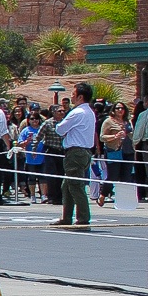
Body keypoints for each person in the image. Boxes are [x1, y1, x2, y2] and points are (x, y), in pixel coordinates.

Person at [55, 82, 97, 227]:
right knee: (67, 185)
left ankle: (83, 218)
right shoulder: (90, 112)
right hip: (85, 152)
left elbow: (60, 129)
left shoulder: (77, 112)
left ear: (80, 97)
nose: (71, 97)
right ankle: (66, 217)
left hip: (75, 152)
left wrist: (59, 123)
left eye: (73, 94)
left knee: (75, 185)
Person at [100, 102, 129, 206]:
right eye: (117, 108)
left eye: (122, 108)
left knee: (126, 176)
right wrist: (115, 136)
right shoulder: (108, 121)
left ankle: (123, 199)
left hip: (126, 151)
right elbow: (102, 137)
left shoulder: (126, 122)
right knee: (113, 175)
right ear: (113, 110)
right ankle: (103, 194)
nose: (120, 110)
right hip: (113, 151)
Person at [16, 111, 44, 201]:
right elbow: (19, 144)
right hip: (30, 158)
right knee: (31, 177)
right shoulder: (26, 130)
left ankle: (43, 195)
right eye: (32, 119)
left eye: (36, 118)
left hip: (42, 157)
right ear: (28, 120)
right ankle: (32, 195)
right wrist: (26, 142)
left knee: (43, 177)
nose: (34, 120)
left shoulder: (42, 129)